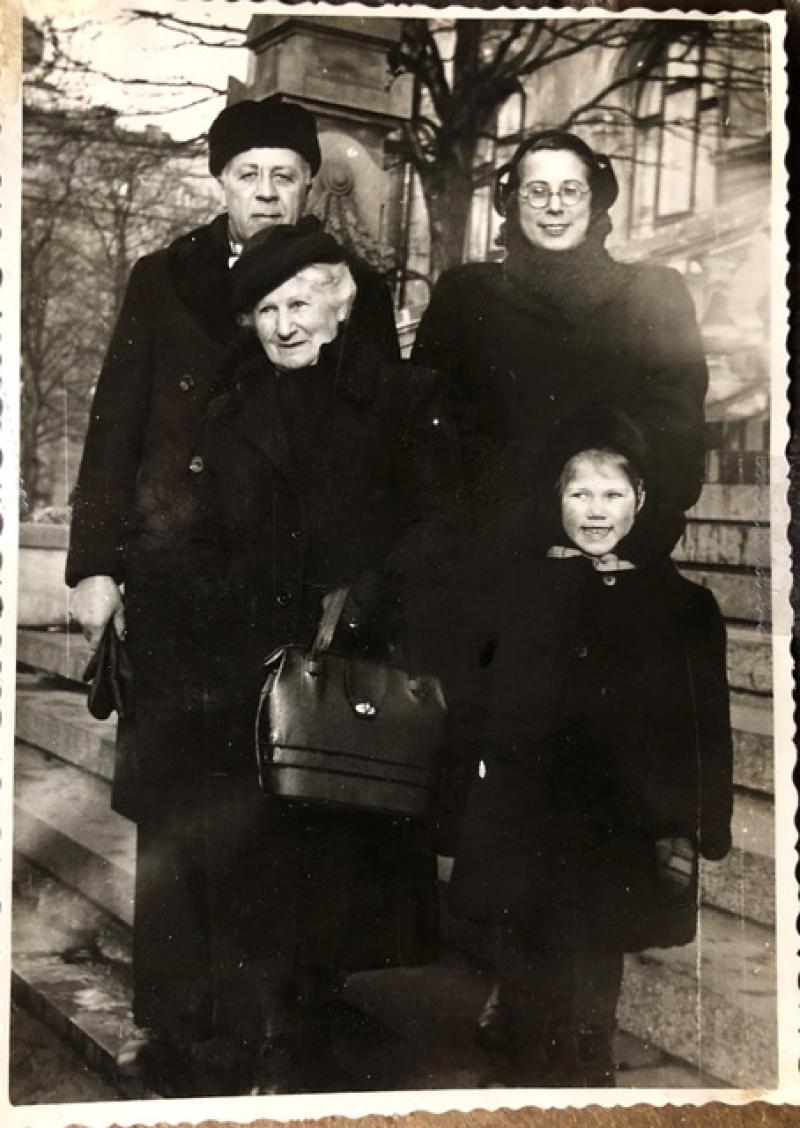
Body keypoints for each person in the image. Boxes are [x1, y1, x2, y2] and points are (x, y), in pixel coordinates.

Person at [65, 96, 399, 1088]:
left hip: (285, 589)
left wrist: (354, 576)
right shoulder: (162, 279)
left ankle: (272, 1015)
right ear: (218, 180)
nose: (265, 188)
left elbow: (370, 435)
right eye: (248, 171)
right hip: (172, 585)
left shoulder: (351, 288)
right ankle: (174, 1021)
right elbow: (114, 420)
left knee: (276, 807)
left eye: (284, 174)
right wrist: (94, 562)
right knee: (176, 803)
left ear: (306, 185)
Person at [167, 219, 461, 1094]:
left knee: (337, 854)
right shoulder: (230, 413)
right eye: (265, 308)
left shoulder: (406, 398)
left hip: (353, 669)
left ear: (339, 307)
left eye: (300, 301)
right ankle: (278, 1030)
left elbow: (443, 524)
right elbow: (204, 537)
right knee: (261, 851)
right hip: (250, 667)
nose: (284, 322)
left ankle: (307, 1020)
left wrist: (370, 592)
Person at [446, 406, 733, 1088]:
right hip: (528, 801)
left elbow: (705, 723)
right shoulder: (523, 590)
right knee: (524, 926)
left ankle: (588, 1047)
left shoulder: (681, 604)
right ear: (557, 501)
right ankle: (522, 1034)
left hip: (621, 812)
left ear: (640, 502)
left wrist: (698, 821)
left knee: (597, 938)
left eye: (611, 494)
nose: (595, 510)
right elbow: (480, 692)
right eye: (580, 493)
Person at [411, 129, 708, 566]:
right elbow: (431, 436)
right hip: (491, 557)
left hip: (614, 556)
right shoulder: (466, 295)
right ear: (511, 203)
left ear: (595, 201)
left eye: (571, 190)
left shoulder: (655, 295)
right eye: (537, 192)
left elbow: (676, 437)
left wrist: (631, 542)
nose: (555, 206)